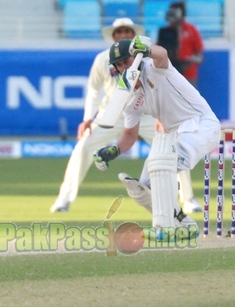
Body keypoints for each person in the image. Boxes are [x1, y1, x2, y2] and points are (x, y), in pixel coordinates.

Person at [50, 18, 200, 214]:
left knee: (172, 148)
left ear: (133, 36)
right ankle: (64, 199)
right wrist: (88, 118)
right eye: (119, 32)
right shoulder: (103, 59)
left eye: (127, 32)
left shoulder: (145, 59)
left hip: (147, 114)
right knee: (83, 147)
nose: (123, 35)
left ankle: (188, 199)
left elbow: (161, 88)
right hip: (111, 114)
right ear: (113, 36)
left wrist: (163, 118)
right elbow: (94, 90)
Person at [92, 36, 221, 234]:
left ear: (136, 58)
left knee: (162, 164)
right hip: (175, 135)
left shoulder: (156, 69)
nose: (123, 68)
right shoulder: (129, 99)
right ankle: (184, 225)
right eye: (118, 65)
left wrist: (147, 49)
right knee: (143, 188)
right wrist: (114, 150)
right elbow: (129, 134)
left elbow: (162, 54)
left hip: (201, 125)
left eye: (127, 62)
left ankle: (165, 228)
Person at [163, 2, 204, 89]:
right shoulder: (166, 31)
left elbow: (200, 56)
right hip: (170, 74)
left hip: (188, 75)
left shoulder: (191, 30)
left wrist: (188, 60)